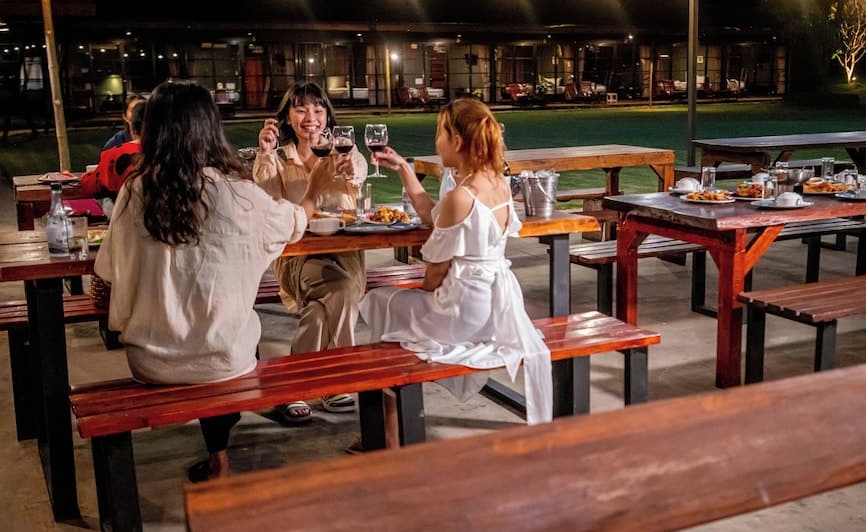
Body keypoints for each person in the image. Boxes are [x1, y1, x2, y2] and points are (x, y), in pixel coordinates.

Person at [94, 81, 308, 482]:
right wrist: (309, 197)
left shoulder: (136, 189)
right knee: (232, 327)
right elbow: (292, 222)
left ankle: (217, 460)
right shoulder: (236, 192)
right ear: (210, 128)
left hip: (151, 362)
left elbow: (106, 271)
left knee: (212, 321)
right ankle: (219, 457)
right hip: (224, 360)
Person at [360, 98, 552, 425]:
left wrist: (423, 294)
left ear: (458, 141)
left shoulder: (460, 196)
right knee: (396, 306)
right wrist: (404, 168)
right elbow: (431, 215)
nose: (436, 142)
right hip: (500, 309)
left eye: (440, 134)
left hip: (464, 313)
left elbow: (436, 271)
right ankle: (393, 414)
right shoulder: (499, 184)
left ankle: (389, 424)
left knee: (379, 300)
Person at [253, 80, 366, 423]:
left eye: (318, 109)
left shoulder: (343, 151)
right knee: (342, 292)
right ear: (287, 117)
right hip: (299, 257)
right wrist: (265, 153)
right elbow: (265, 200)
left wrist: (349, 166)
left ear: (327, 115)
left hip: (345, 254)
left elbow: (358, 173)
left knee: (318, 312)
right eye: (301, 109)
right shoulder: (278, 158)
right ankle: (338, 380)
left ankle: (291, 387)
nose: (310, 117)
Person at [80, 100, 145, 199]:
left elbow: (90, 187)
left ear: (133, 127)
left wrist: (86, 176)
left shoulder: (116, 154)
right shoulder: (168, 153)